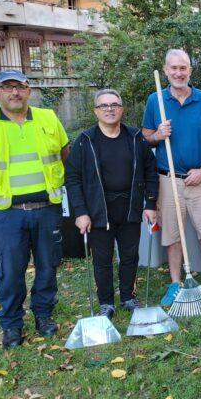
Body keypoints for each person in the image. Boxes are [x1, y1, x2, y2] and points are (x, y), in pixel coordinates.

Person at [0, 70, 69, 348]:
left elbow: (64, 153)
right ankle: (11, 325)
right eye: (7, 87)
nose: (14, 93)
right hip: (9, 212)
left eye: (20, 87)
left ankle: (44, 315)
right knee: (10, 271)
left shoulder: (48, 118)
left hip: (47, 208)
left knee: (48, 266)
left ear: (29, 90)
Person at [142, 49, 201, 304]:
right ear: (166, 70)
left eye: (183, 68)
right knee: (172, 234)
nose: (179, 73)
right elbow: (145, 137)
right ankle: (175, 282)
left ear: (190, 71)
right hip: (168, 179)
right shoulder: (155, 101)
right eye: (174, 68)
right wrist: (158, 135)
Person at [65, 89, 158, 320]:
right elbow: (73, 179)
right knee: (102, 259)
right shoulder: (85, 141)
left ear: (122, 109)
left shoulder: (136, 138)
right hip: (98, 210)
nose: (110, 109)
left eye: (114, 104)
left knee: (130, 256)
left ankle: (128, 296)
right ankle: (106, 302)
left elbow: (151, 172)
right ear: (96, 111)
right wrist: (80, 212)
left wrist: (151, 203)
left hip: (130, 207)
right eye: (104, 106)